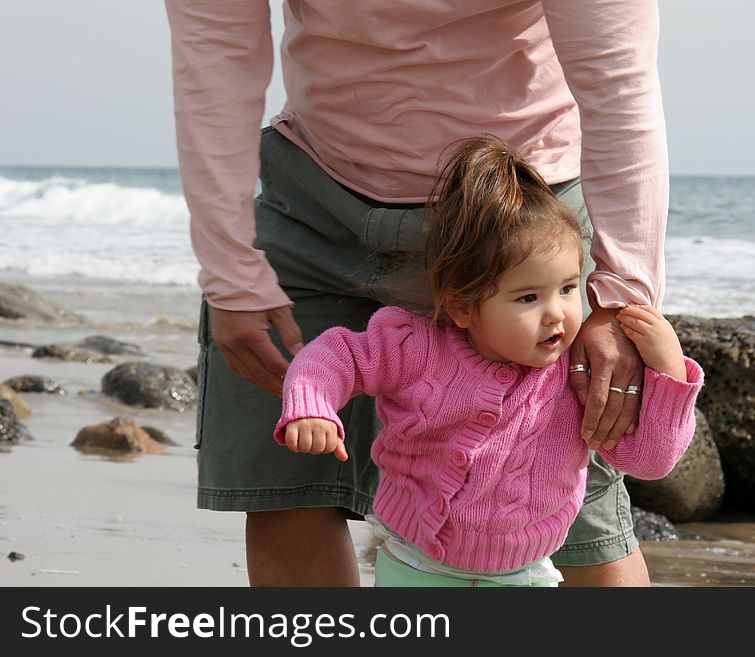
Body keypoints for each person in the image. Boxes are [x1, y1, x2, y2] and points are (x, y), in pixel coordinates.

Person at [165, 0, 671, 586]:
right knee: (287, 487)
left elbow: (619, 80)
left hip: (520, 216)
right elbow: (213, 58)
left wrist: (622, 297)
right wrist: (231, 274)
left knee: (584, 520)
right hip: (317, 190)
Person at [275, 136, 703, 587]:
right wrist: (311, 405)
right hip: (414, 569)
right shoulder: (415, 344)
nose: (556, 312)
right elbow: (334, 355)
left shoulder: (576, 375)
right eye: (527, 297)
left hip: (526, 578)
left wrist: (669, 375)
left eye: (567, 288)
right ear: (462, 306)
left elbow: (649, 462)